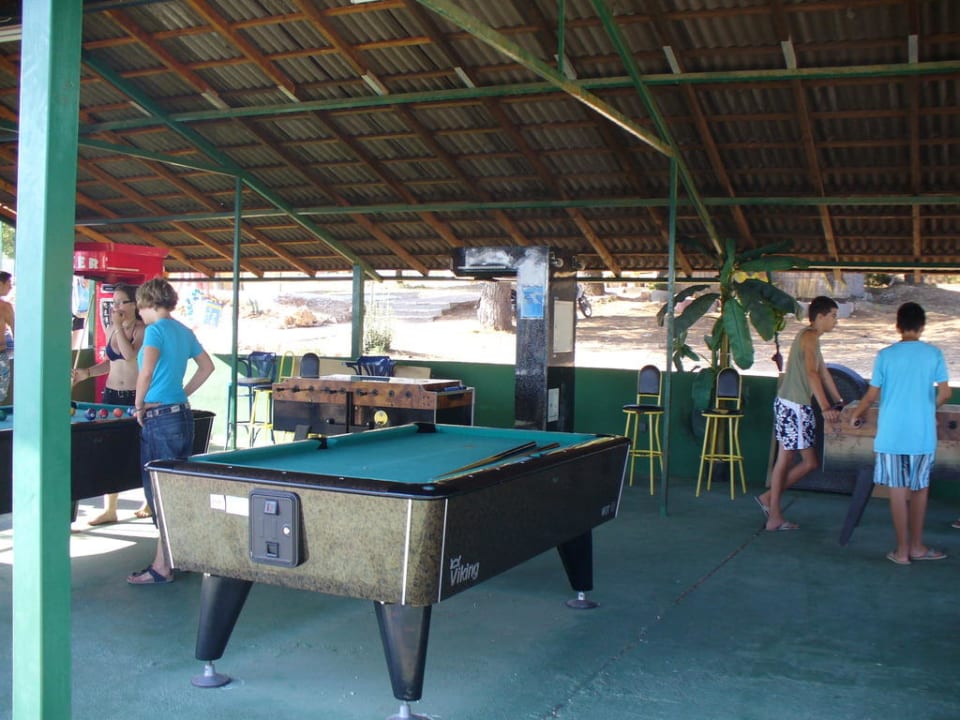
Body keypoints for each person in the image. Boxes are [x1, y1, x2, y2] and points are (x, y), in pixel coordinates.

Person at [126, 277, 214, 585]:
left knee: (159, 492)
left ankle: (162, 567)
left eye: (140, 307)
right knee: (176, 489)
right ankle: (180, 556)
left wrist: (138, 405)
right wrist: (181, 393)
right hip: (182, 415)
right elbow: (207, 367)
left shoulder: (155, 330)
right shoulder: (183, 331)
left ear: (147, 303)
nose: (140, 313)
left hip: (159, 417)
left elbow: (146, 371)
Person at [848, 302, 950, 565]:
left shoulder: (885, 355)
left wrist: (856, 414)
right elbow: (945, 392)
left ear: (898, 326)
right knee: (920, 489)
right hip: (922, 434)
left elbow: (871, 395)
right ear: (922, 326)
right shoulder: (934, 354)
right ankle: (917, 547)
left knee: (897, 490)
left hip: (891, 435)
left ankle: (902, 551)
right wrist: (929, 409)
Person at [758, 296, 844, 532]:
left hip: (796, 405)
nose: (835, 321)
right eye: (833, 316)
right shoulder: (809, 337)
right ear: (820, 317)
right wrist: (825, 408)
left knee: (809, 462)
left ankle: (769, 498)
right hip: (793, 406)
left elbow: (823, 372)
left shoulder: (813, 339)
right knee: (786, 460)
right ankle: (774, 516)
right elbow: (811, 374)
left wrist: (840, 402)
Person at [71, 283, 146, 525]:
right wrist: (87, 373)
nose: (116, 307)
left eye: (122, 302)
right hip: (112, 394)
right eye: (114, 302)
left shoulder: (143, 329)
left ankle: (148, 500)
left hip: (134, 396)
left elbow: (130, 355)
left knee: (138, 449)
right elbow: (110, 362)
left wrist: (118, 327)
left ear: (135, 304)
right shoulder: (113, 328)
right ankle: (110, 509)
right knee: (109, 449)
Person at [0, 271, 14, 403]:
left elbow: (16, 331)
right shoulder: (4, 307)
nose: (11, 287)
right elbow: (16, 331)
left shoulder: (5, 306)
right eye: (8, 283)